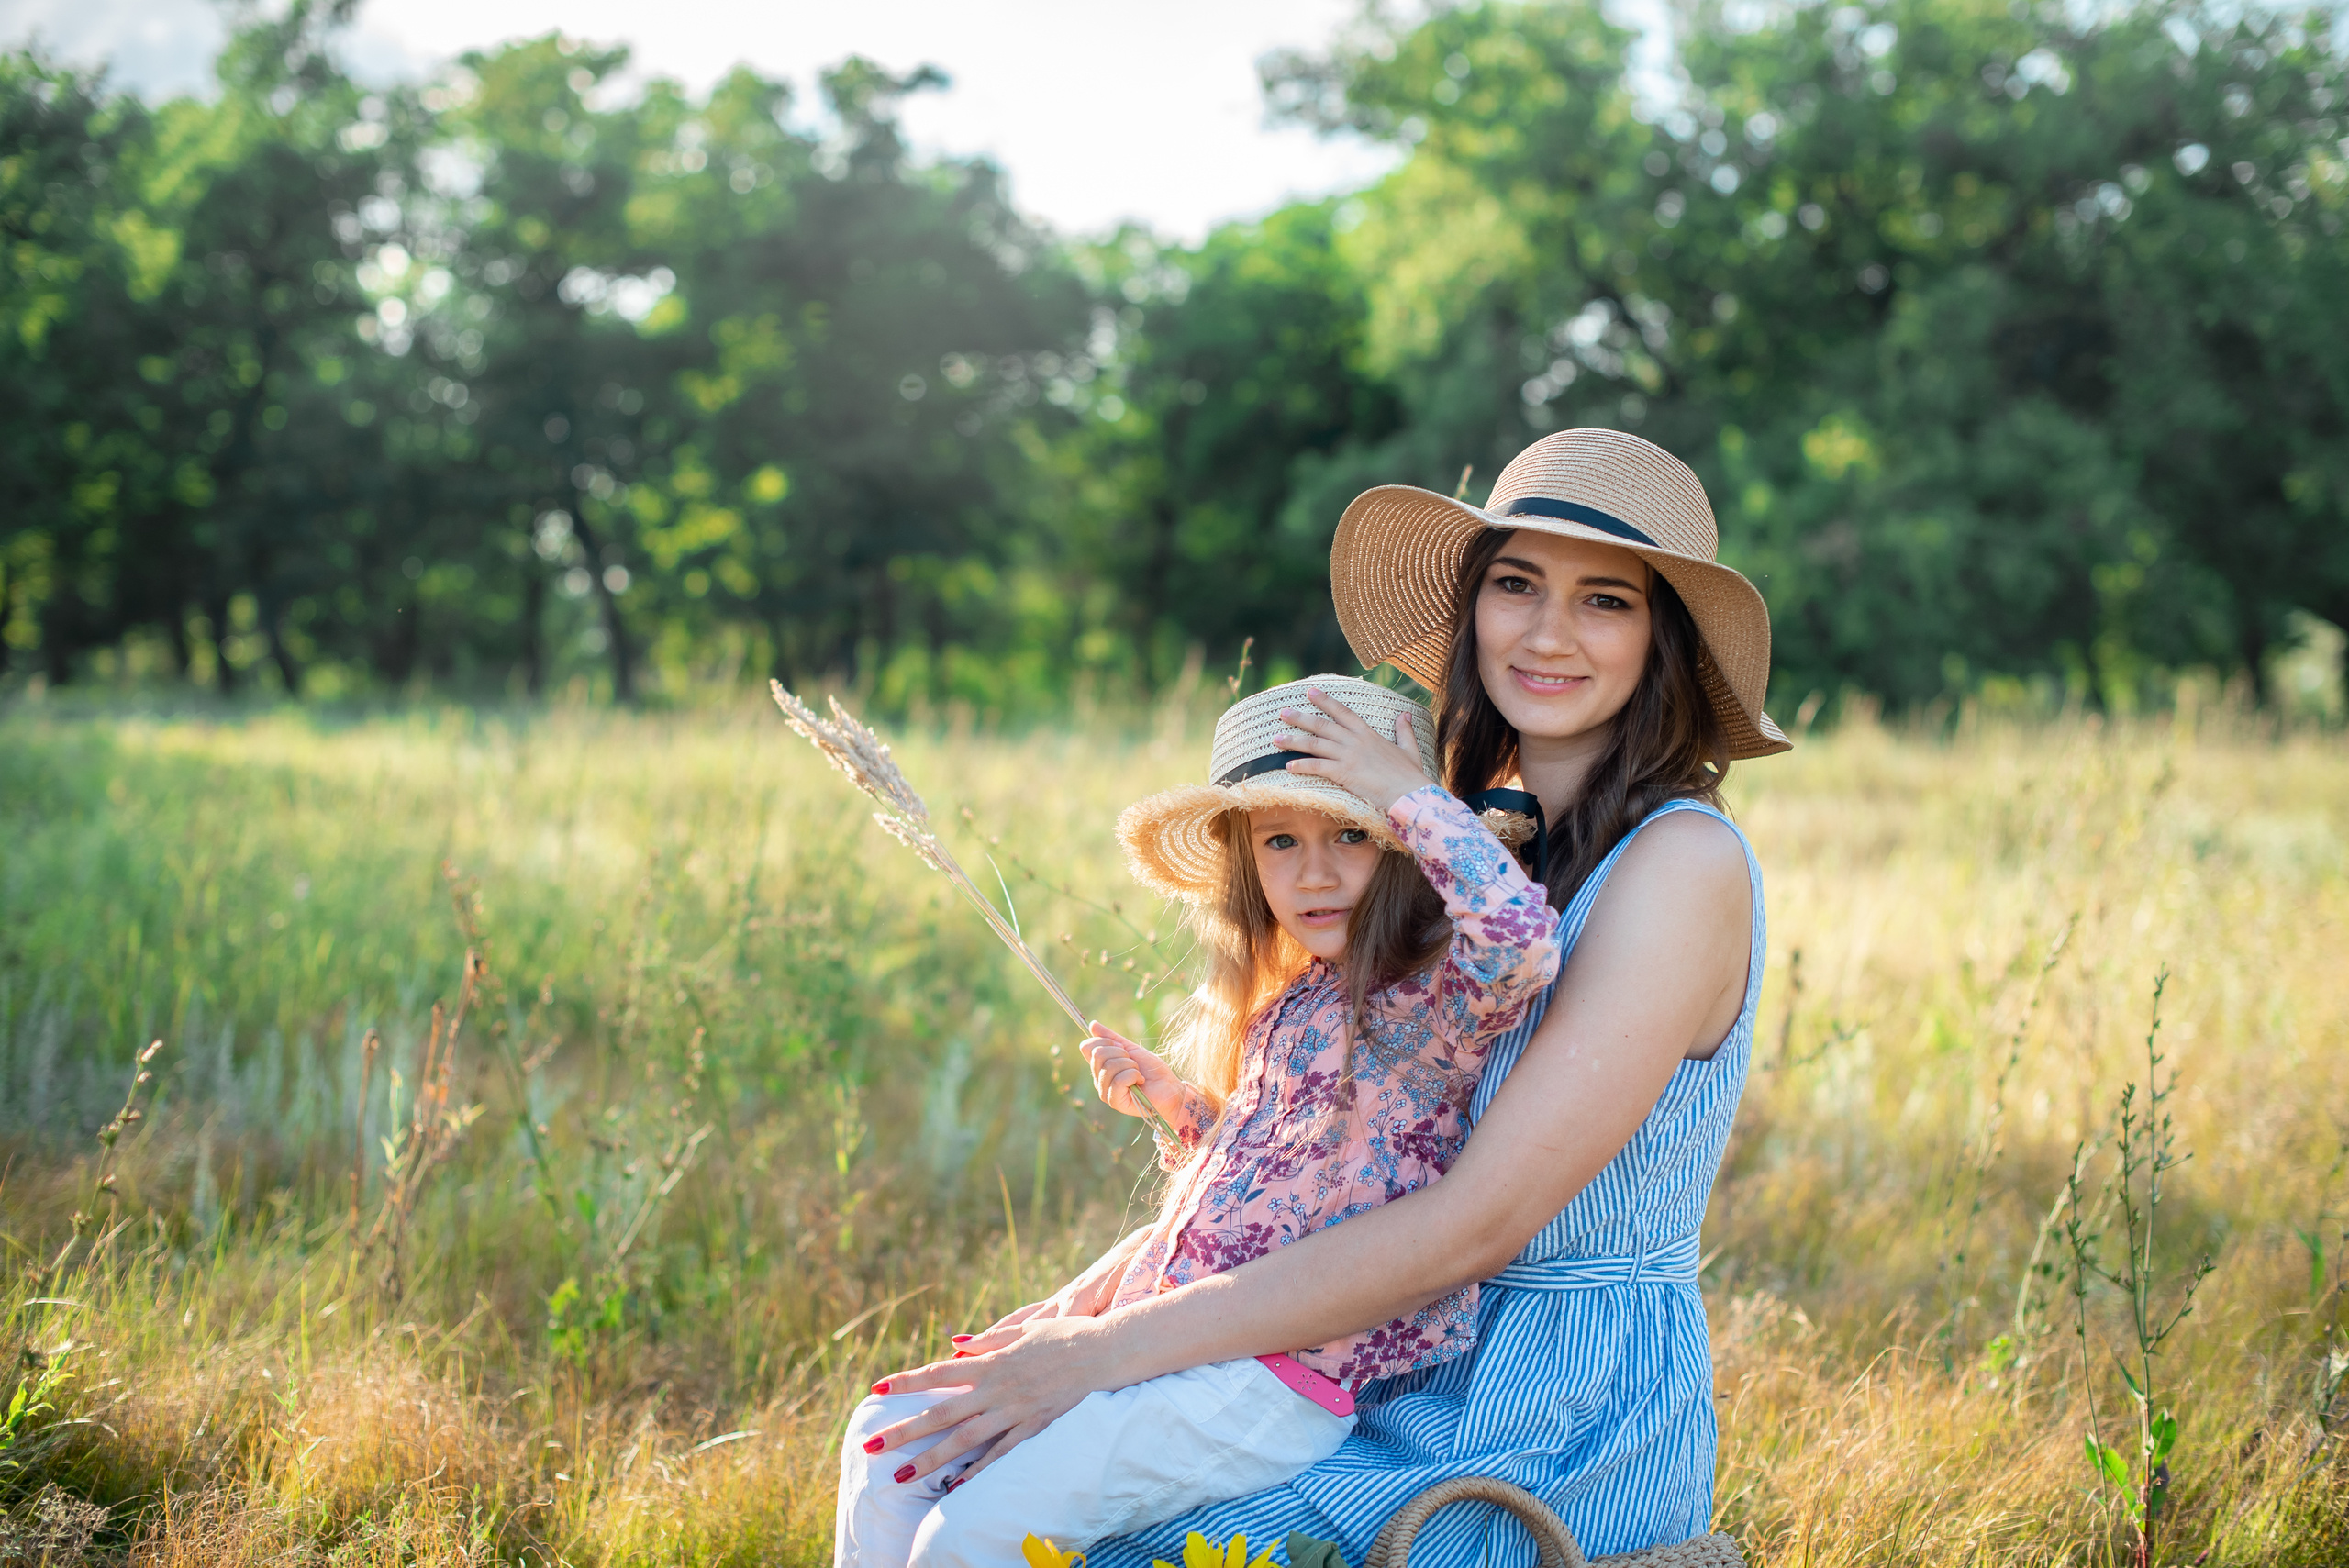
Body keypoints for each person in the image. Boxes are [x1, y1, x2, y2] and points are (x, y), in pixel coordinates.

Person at [863, 427, 1790, 1562]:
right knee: (964, 1477)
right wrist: (1082, 1315)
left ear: (1663, 641)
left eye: (1604, 600)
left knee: (1093, 1552)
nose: (1547, 633)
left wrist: (1099, 1356)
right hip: (1356, 1347)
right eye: (1513, 584)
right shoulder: (1441, 842)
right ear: (1471, 610)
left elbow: (1474, 1223)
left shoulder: (1677, 863)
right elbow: (1315, 1161)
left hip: (1551, 1401)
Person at [834, 673, 1561, 1568]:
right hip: (1185, 1335)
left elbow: (1519, 935)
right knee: (891, 1442)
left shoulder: (1434, 1001)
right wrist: (1183, 1107)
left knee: (969, 1536)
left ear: (1403, 845)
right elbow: (1275, 1172)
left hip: (1270, 1375)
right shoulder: (1292, 1001)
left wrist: (1401, 791)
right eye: (1281, 840)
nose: (1315, 870)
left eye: (1351, 834)